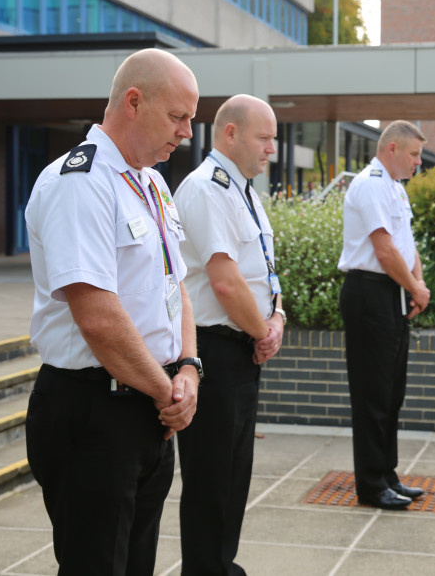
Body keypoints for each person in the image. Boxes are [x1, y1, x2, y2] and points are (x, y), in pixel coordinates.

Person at [24, 48, 202, 575]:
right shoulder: (80, 182)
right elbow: (97, 316)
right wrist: (166, 389)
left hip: (148, 406)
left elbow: (178, 288)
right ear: (132, 102)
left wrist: (189, 368)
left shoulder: (151, 182)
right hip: (95, 413)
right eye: (178, 117)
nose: (188, 132)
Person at [174, 94, 285, 575]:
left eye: (275, 139)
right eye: (265, 138)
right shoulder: (206, 188)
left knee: (234, 471)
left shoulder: (243, 190)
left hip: (241, 347)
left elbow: (262, 269)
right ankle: (205, 568)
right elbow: (224, 281)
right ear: (230, 133)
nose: (272, 150)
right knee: (211, 476)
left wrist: (276, 316)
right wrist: (263, 330)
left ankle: (222, 564)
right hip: (214, 349)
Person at [337, 120, 431, 510]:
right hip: (370, 293)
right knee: (373, 395)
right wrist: (414, 287)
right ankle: (371, 485)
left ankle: (387, 474)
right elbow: (383, 250)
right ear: (392, 148)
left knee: (392, 394)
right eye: (414, 154)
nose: (418, 163)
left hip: (392, 290)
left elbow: (405, 245)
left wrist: (417, 284)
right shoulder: (372, 183)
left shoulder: (393, 187)